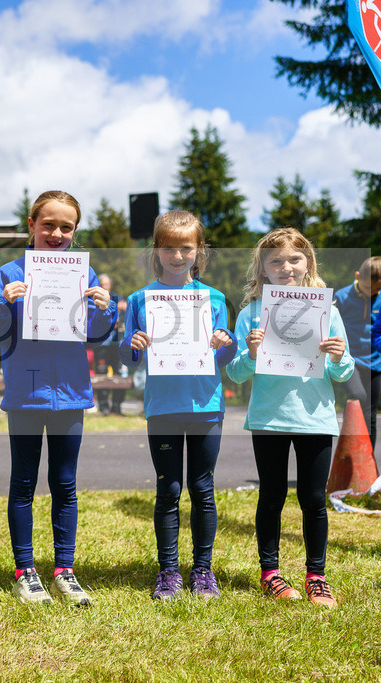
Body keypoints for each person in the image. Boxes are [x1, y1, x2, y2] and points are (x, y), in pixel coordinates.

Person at [0, 190, 115, 606]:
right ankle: (25, 571)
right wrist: (4, 304)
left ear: (75, 232)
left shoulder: (85, 276)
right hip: (26, 392)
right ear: (31, 225)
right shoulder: (9, 273)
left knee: (65, 484)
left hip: (71, 394)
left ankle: (65, 571)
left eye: (66, 227)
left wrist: (105, 310)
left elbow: (98, 337)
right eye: (49, 225)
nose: (57, 233)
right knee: (22, 483)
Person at [226, 227, 353, 608]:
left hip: (315, 419)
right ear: (262, 269)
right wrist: (250, 353)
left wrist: (337, 356)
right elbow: (235, 374)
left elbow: (343, 375)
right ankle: (271, 574)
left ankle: (316, 577)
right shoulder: (251, 313)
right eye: (275, 261)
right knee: (272, 496)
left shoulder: (327, 311)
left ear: (308, 263)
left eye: (294, 259)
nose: (286, 267)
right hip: (269, 418)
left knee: (314, 499)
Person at [118, 211, 236, 600]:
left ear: (199, 250)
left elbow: (224, 356)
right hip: (163, 407)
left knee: (203, 488)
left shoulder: (214, 298)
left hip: (205, 405)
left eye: (186, 247)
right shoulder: (140, 299)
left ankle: (203, 570)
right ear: (157, 249)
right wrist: (131, 345)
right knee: (168, 489)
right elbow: (126, 354)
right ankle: (168, 571)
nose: (177, 255)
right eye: (169, 247)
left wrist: (225, 342)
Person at [332, 256, 380, 453]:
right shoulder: (341, 297)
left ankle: (367, 464)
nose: (372, 293)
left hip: (375, 361)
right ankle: (347, 455)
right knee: (357, 396)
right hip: (350, 359)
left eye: (376, 291)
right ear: (357, 276)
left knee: (370, 414)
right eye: (368, 288)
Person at [93, 273, 127, 416]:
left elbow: (127, 310)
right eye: (102, 284)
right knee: (101, 374)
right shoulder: (93, 299)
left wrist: (125, 308)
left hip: (117, 344)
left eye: (107, 284)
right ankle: (103, 407)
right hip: (101, 344)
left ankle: (117, 407)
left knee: (120, 375)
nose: (105, 287)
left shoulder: (117, 298)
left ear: (110, 285)